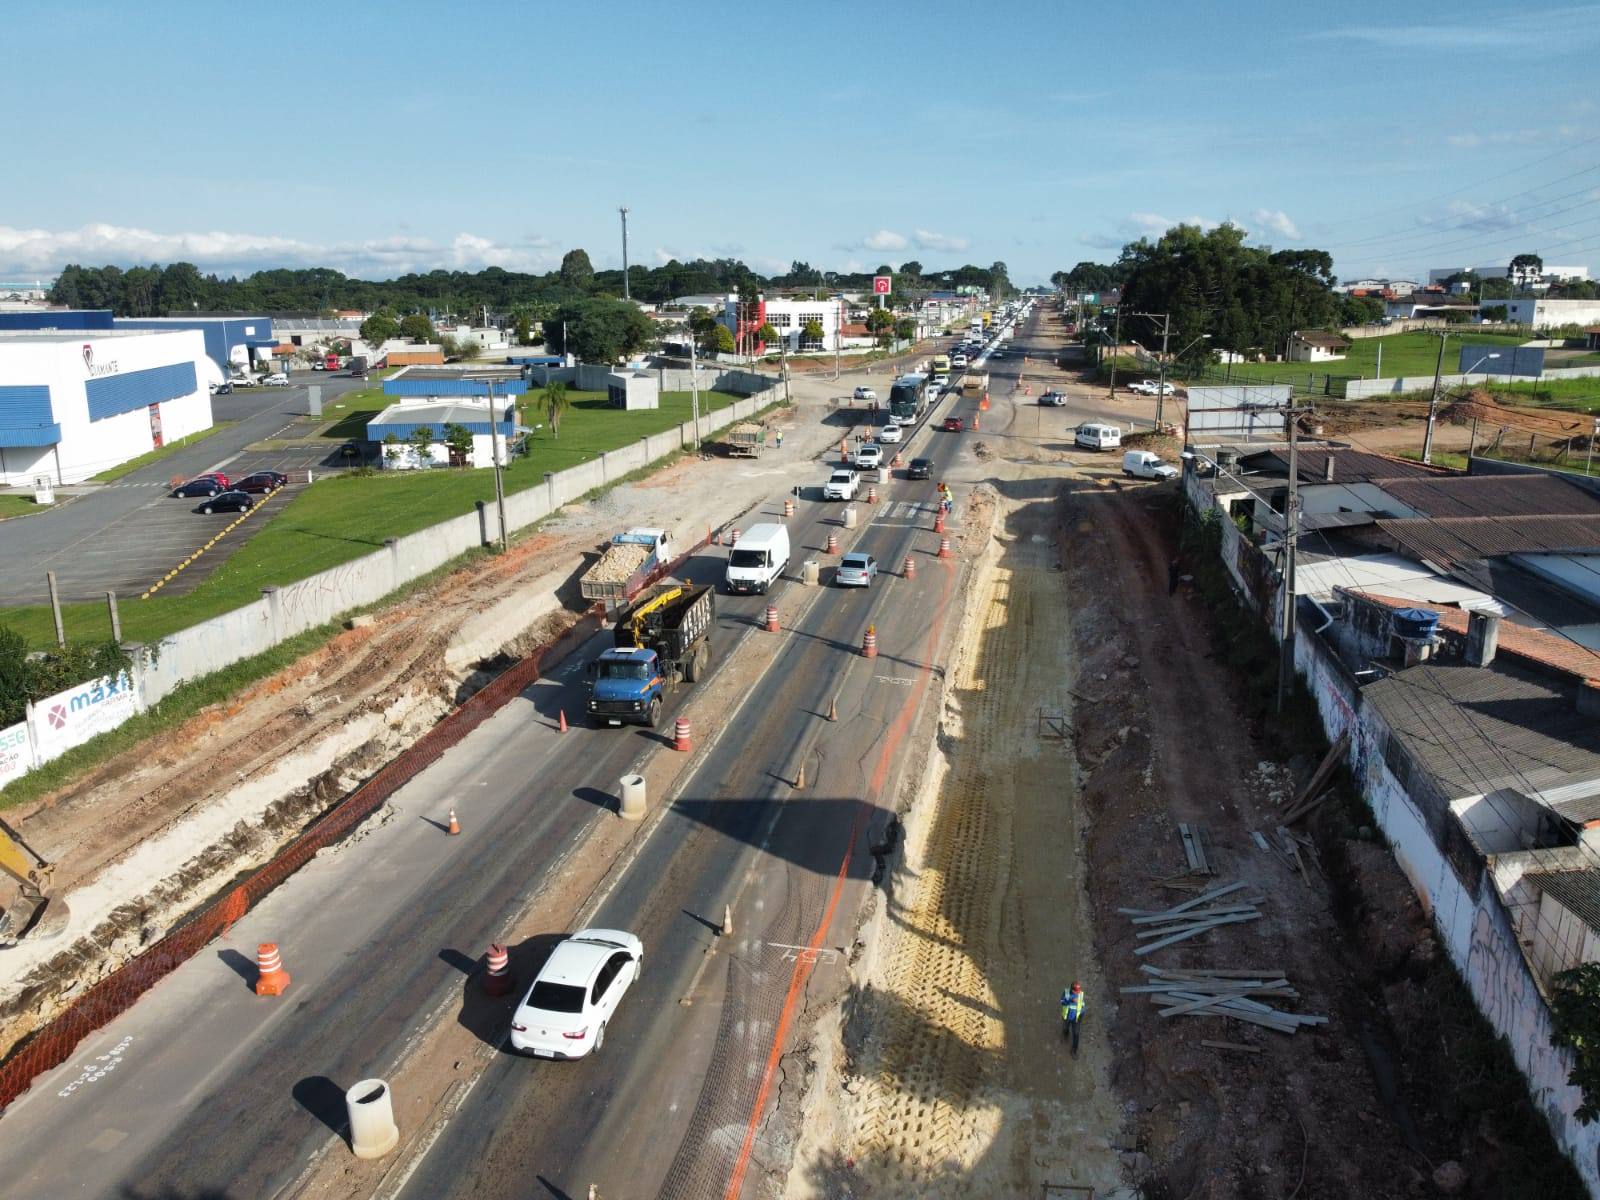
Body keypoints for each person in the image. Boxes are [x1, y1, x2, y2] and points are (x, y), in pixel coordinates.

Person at [1062, 981, 1085, 1053]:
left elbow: (1083, 1007)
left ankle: (1074, 1050)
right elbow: (1062, 1002)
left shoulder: (1080, 995)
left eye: (1079, 991)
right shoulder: (1066, 993)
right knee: (1065, 1028)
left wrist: (1081, 1017)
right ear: (1072, 990)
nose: (1078, 993)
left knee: (1076, 1034)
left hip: (1076, 1019)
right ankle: (1065, 1034)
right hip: (1067, 1017)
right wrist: (1071, 1000)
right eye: (1076, 992)